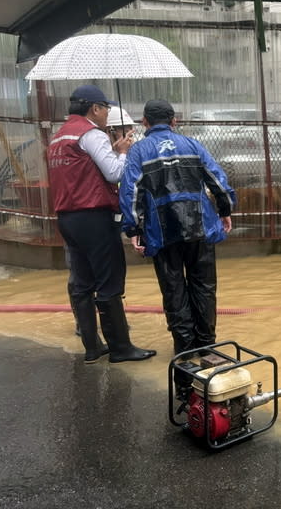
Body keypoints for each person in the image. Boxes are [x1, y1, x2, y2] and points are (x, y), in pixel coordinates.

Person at [119, 100, 236, 386]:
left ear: (145, 122)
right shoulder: (193, 146)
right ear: (174, 121)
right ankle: (206, 343)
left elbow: (129, 191)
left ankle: (184, 349)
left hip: (162, 231)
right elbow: (217, 179)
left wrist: (133, 228)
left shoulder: (138, 151)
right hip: (201, 226)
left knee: (173, 288)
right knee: (204, 285)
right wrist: (225, 209)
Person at [47, 84, 156, 364]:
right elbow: (114, 173)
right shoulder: (90, 133)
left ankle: (92, 347)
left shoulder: (59, 136)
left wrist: (114, 150)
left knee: (83, 282)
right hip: (94, 216)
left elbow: (81, 172)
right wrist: (123, 153)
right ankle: (121, 348)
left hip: (68, 218)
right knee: (109, 281)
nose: (108, 113)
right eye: (106, 108)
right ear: (94, 109)